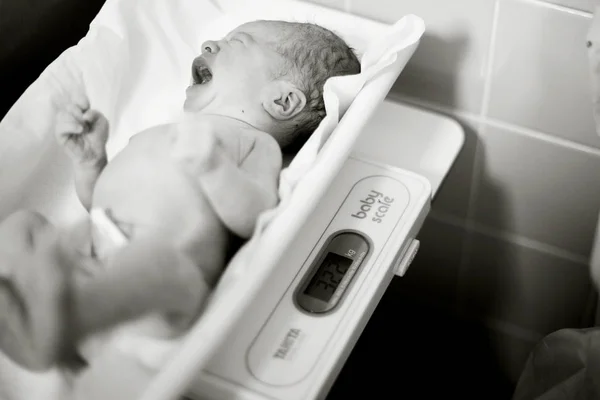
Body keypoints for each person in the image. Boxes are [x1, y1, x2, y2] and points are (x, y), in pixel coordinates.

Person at [0, 19, 360, 371]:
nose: (209, 45)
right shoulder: (161, 132)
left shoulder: (252, 143)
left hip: (170, 281)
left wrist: (213, 168)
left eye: (237, 42)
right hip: (93, 246)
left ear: (282, 101)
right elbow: (99, 204)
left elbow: (256, 214)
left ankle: (65, 318)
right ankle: (30, 295)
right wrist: (91, 163)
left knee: (163, 267)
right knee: (23, 224)